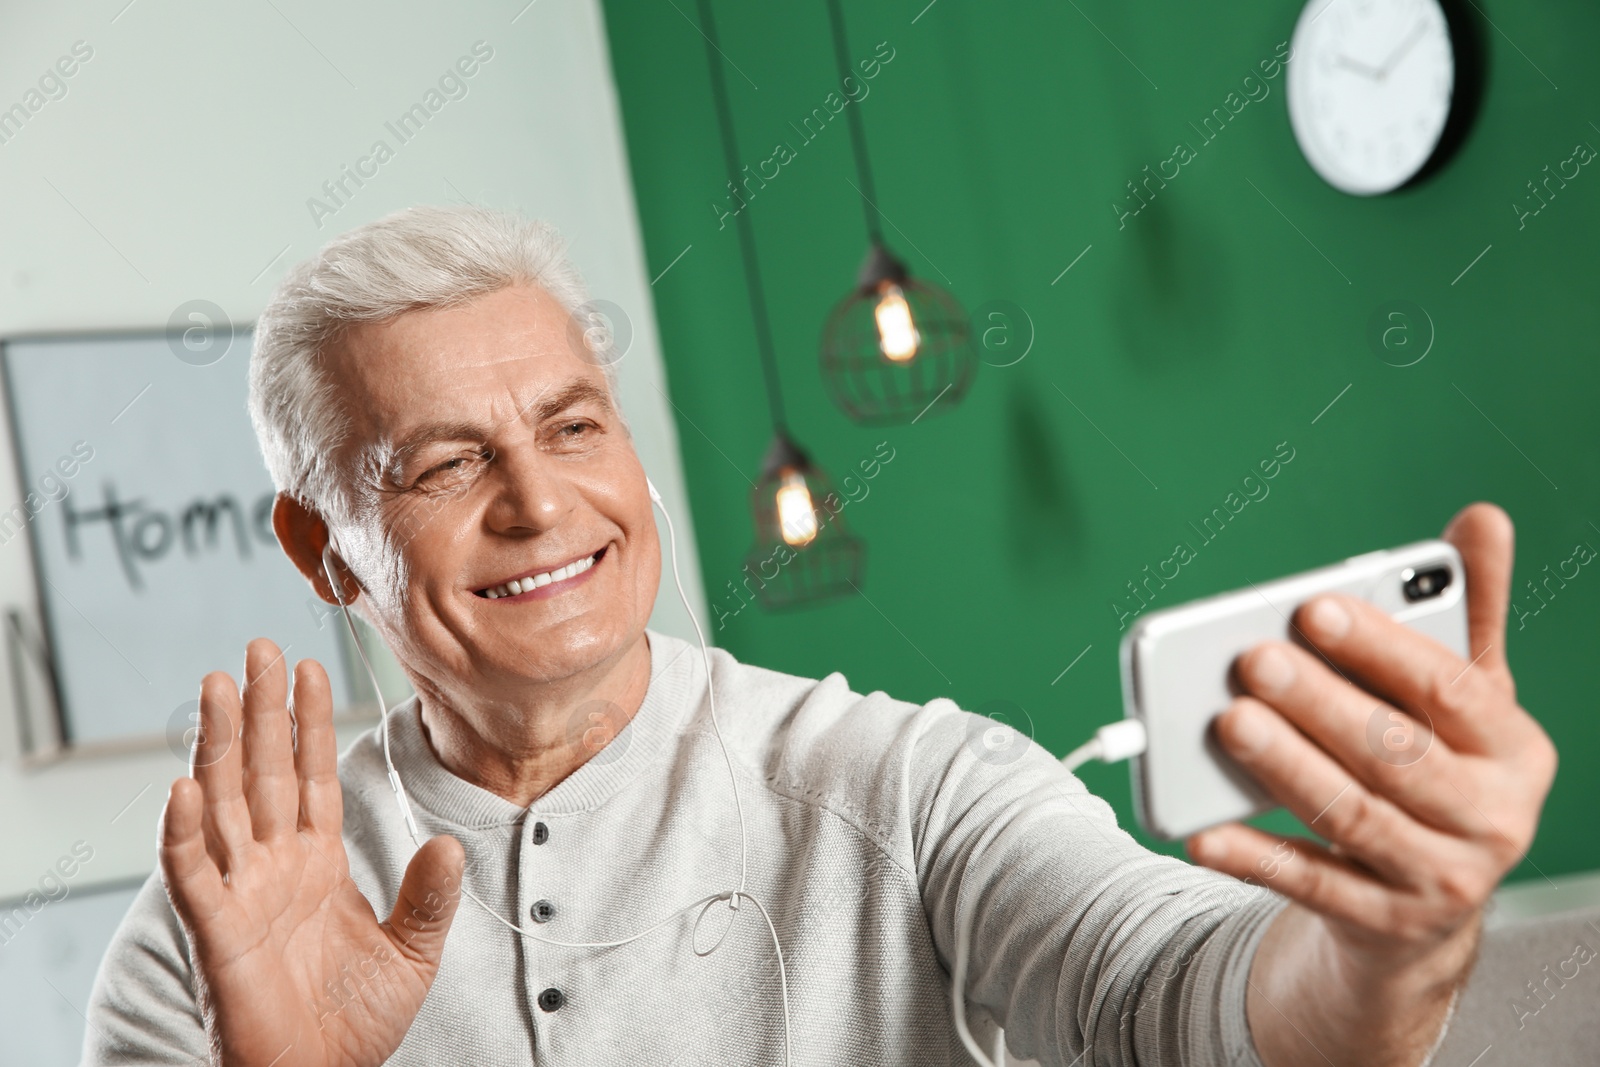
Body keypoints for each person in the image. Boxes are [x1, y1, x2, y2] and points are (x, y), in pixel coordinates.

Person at [84, 205, 1555, 1067]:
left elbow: (1178, 1004)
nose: (542, 504)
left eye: (572, 426)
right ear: (317, 547)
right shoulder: (215, 930)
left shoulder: (905, 787)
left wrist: (1390, 945)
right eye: (447, 464)